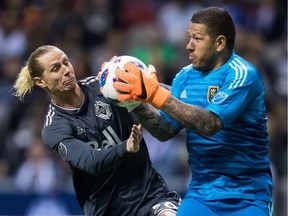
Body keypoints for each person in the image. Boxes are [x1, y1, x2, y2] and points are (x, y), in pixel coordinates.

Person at [113, 6, 273, 216]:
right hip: (201, 193)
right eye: (189, 38)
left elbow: (209, 124)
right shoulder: (184, 77)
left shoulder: (243, 75)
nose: (188, 46)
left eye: (197, 38)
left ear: (219, 43)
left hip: (247, 196)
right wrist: (136, 103)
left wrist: (154, 95)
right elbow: (165, 130)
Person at [12, 45, 181, 216]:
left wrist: (151, 89)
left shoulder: (104, 86)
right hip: (106, 209)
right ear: (40, 81)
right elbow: (91, 162)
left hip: (150, 195)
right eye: (56, 69)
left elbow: (164, 92)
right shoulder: (54, 127)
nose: (67, 70)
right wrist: (126, 147)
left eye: (66, 62)